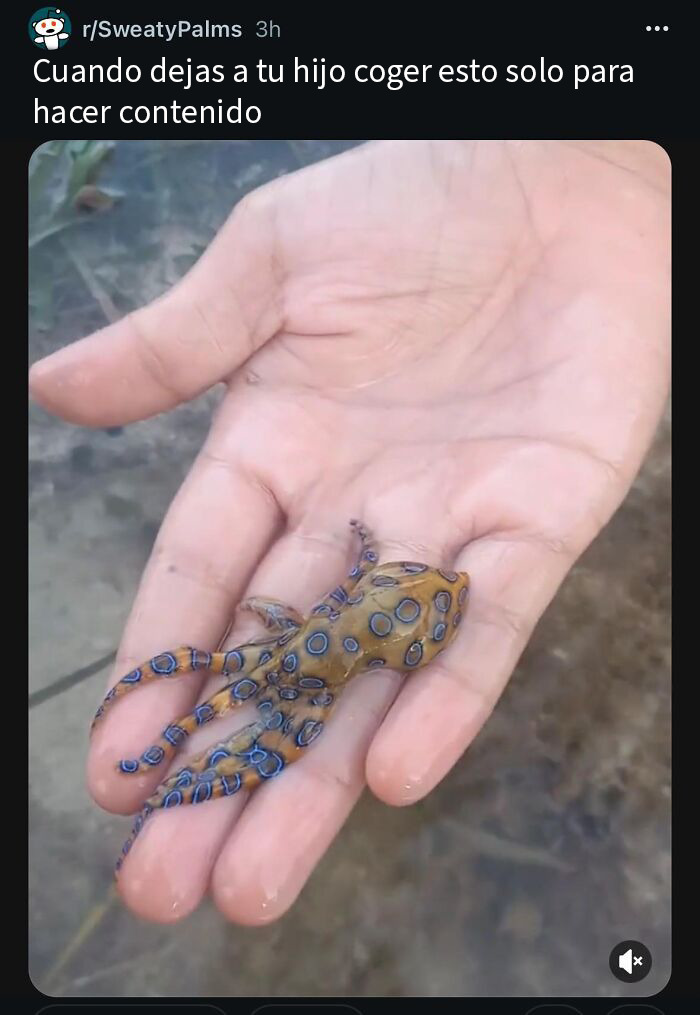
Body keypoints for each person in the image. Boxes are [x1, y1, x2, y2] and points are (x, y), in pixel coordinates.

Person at [28, 140, 670, 925]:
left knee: (215, 694)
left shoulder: (374, 616)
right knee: (214, 699)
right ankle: (156, 767)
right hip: (320, 640)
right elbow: (352, 605)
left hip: (329, 638)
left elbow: (364, 609)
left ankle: (162, 770)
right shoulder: (345, 624)